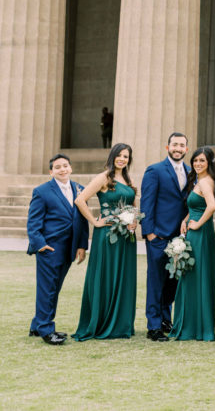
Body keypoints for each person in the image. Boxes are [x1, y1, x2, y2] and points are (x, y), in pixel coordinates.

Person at [73, 144, 138, 340]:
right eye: (119, 155)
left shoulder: (128, 179)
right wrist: (95, 221)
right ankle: (101, 322)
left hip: (126, 237)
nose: (122, 159)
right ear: (112, 156)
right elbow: (80, 200)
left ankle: (120, 324)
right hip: (107, 234)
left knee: (123, 276)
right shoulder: (104, 177)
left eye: (126, 156)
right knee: (107, 274)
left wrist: (134, 221)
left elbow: (133, 205)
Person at [26, 154, 88, 345]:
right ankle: (46, 330)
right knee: (47, 289)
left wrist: (82, 245)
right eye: (58, 167)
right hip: (50, 248)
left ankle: (37, 325)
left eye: (65, 166)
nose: (62, 169)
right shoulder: (42, 191)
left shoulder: (80, 189)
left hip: (69, 248)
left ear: (70, 168)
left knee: (55, 288)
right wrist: (40, 244)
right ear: (51, 171)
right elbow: (33, 222)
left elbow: (82, 219)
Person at [140, 132, 190, 342]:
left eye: (182, 145)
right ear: (167, 147)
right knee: (156, 281)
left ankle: (165, 319)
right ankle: (153, 326)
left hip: (179, 237)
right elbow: (147, 202)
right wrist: (149, 233)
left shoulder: (190, 171)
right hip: (158, 235)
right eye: (175, 144)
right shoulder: (155, 170)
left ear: (186, 149)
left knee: (173, 281)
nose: (178, 148)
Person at [171, 147, 215, 341]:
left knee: (194, 275)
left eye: (202, 161)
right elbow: (197, 205)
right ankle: (195, 323)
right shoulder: (199, 181)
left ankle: (194, 326)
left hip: (199, 234)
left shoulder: (206, 182)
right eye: (195, 161)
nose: (198, 164)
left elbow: (212, 206)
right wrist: (186, 218)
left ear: (209, 163)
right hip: (194, 231)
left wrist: (197, 223)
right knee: (193, 276)